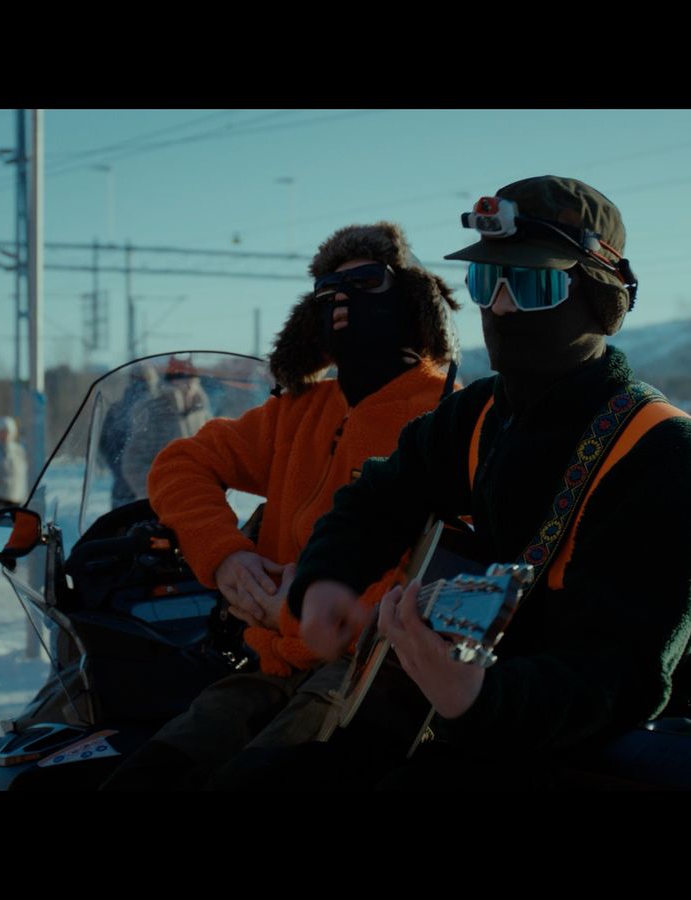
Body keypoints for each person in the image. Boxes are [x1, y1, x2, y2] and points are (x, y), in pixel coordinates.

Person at [226, 176, 691, 790]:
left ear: (601, 300)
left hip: (669, 749)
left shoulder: (667, 458)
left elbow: (623, 677)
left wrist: (479, 695)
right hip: (509, 720)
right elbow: (379, 496)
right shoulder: (483, 414)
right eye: (487, 282)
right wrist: (329, 578)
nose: (503, 308)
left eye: (535, 284)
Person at [101, 221, 462, 790]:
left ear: (411, 297)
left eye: (365, 281)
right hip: (268, 662)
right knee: (148, 773)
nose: (340, 299)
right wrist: (225, 557)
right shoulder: (297, 409)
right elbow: (178, 464)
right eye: (325, 290)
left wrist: (289, 611)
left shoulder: (450, 416)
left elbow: (436, 575)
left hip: (367, 672)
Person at [117, 358, 212, 501]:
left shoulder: (202, 413)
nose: (188, 385)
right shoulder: (154, 410)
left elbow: (212, 455)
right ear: (171, 381)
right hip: (162, 503)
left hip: (198, 498)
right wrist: (159, 491)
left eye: (192, 380)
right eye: (182, 379)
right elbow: (133, 461)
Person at [100, 364, 160, 508]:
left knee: (121, 527)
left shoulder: (117, 409)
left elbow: (104, 445)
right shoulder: (161, 409)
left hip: (124, 488)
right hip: (155, 488)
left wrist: (120, 471)